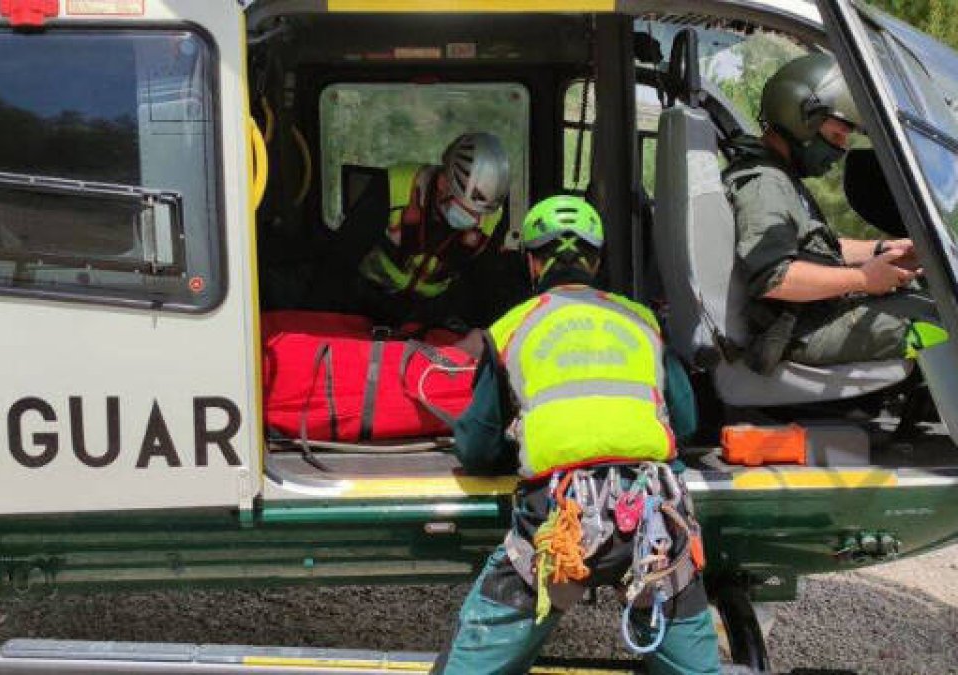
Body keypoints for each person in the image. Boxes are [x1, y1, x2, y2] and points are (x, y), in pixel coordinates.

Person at [432, 196, 721, 675]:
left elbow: (478, 450)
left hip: (558, 519)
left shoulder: (511, 329)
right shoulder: (643, 322)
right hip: (655, 518)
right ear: (598, 260)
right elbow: (686, 425)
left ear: (532, 262)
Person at [724, 52, 940, 369]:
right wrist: (863, 279)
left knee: (926, 296)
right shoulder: (765, 185)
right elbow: (773, 277)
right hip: (800, 329)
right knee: (940, 324)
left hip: (811, 314)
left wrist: (883, 249)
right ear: (802, 119)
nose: (840, 150)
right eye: (837, 135)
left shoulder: (777, 175)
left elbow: (814, 248)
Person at [313, 132, 515, 326]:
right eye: (468, 210)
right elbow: (342, 258)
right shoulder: (395, 186)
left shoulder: (492, 218)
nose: (476, 220)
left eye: (481, 213)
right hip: (368, 296)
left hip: (432, 312)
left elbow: (486, 284)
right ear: (444, 183)